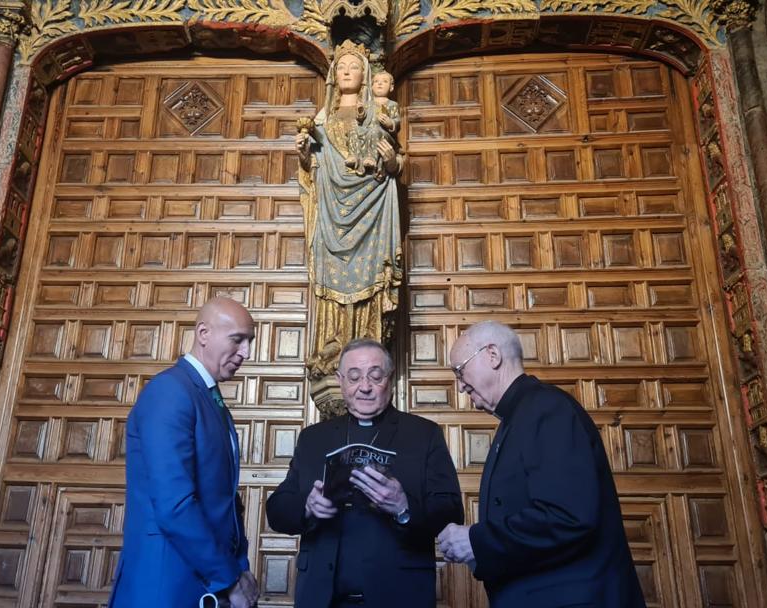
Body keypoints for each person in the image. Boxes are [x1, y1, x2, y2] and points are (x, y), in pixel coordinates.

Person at [436, 321, 646, 607]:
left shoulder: (548, 409)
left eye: (459, 370)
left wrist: (476, 540)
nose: (460, 386)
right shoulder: (521, 415)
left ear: (493, 355)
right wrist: (477, 553)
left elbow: (568, 517)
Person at [266, 339, 464, 608]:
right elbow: (277, 510)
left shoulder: (423, 434)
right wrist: (307, 507)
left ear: (390, 379)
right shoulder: (314, 438)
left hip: (399, 595)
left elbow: (451, 511)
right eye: (355, 377)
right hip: (322, 597)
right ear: (340, 380)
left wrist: (404, 507)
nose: (365, 387)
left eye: (375, 376)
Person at [109, 297, 259, 608]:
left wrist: (240, 567)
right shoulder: (170, 392)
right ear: (203, 333)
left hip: (206, 581)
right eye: (237, 340)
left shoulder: (207, 397)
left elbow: (226, 500)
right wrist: (228, 578)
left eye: (249, 341)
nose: (246, 352)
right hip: (166, 586)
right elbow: (175, 505)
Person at [296, 41, 403, 380]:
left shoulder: (379, 113)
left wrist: (389, 161)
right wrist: (302, 153)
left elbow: (396, 161)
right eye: (341, 66)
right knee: (332, 280)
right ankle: (331, 349)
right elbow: (313, 167)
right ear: (332, 74)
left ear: (365, 74)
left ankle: (368, 348)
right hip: (331, 208)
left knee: (370, 277)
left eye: (353, 67)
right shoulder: (322, 117)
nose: (346, 71)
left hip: (371, 205)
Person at [350, 71, 400, 177]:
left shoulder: (392, 104)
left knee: (375, 131)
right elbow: (361, 120)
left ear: (391, 87)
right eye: (376, 81)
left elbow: (397, 121)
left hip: (383, 135)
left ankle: (371, 158)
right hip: (366, 130)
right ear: (372, 86)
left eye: (384, 81)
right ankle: (354, 157)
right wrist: (360, 112)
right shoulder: (367, 104)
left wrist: (390, 123)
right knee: (353, 130)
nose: (380, 83)